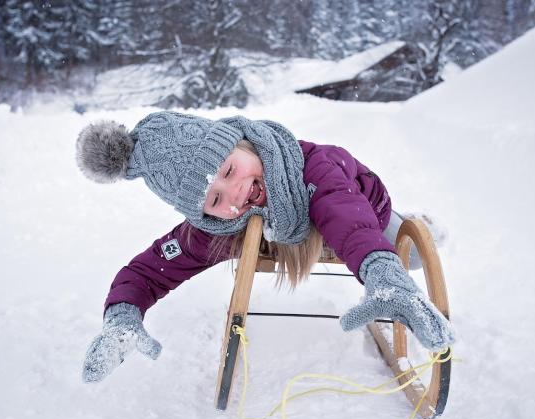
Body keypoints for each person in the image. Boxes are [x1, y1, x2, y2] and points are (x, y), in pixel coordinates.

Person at [74, 111, 455, 383]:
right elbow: (149, 269)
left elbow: (346, 219)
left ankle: (418, 225)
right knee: (245, 226)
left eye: (227, 171)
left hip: (360, 207)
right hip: (283, 235)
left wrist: (384, 273)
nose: (236, 193)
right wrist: (122, 317)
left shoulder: (315, 168)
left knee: (414, 253)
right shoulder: (223, 226)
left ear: (243, 144)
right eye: (215, 199)